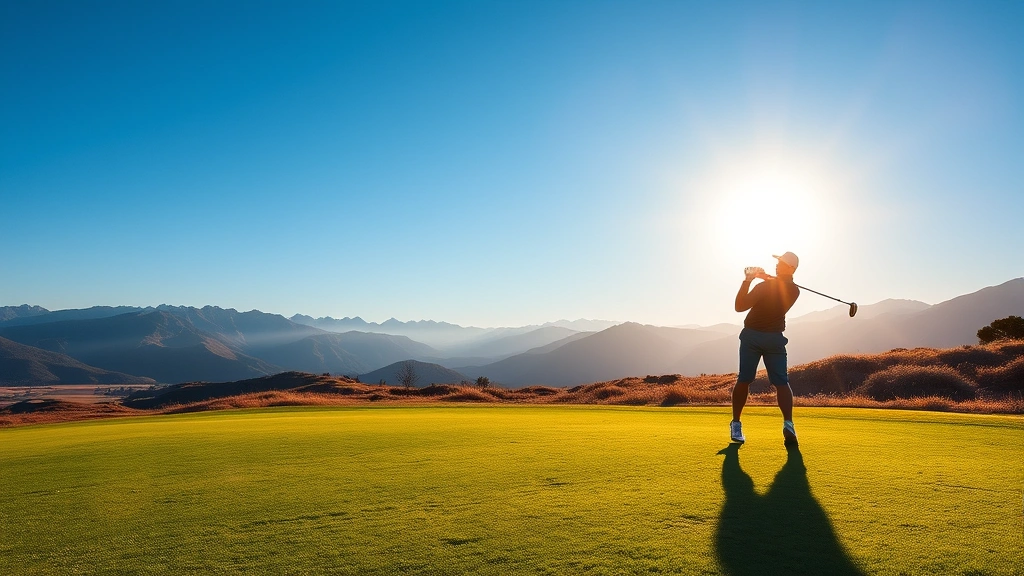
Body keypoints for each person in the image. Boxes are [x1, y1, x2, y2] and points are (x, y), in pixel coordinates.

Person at [730, 252, 801, 445]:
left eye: (782, 263)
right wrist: (763, 277)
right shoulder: (794, 290)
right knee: (781, 382)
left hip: (752, 336)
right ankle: (789, 424)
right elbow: (780, 285)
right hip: (775, 339)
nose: (778, 265)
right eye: (778, 262)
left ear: (792, 268)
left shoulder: (764, 287)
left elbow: (739, 306)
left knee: (744, 379)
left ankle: (736, 424)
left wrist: (748, 280)